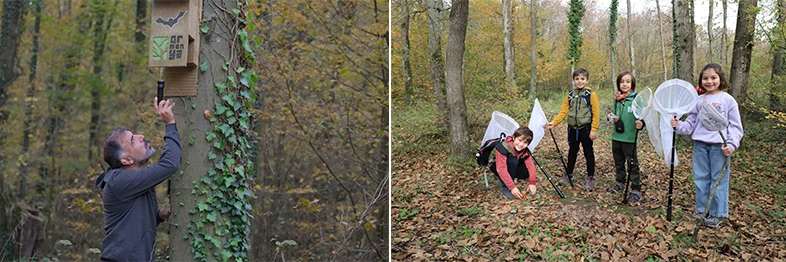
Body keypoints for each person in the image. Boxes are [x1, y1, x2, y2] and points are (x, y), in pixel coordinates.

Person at [95, 97, 181, 261]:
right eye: (133, 140)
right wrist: (170, 124)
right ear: (126, 160)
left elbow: (131, 225)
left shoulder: (135, 181)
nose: (141, 136)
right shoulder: (120, 181)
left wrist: (158, 216)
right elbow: (170, 164)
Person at [671, 63, 743, 228]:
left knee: (718, 179)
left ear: (720, 79)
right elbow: (690, 123)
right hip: (700, 145)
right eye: (705, 78)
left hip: (720, 147)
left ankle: (718, 214)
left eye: (713, 78)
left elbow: (735, 126)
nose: (709, 81)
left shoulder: (728, 100)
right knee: (701, 178)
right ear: (701, 80)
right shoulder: (698, 101)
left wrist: (731, 144)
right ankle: (704, 210)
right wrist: (678, 125)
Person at [546, 68, 600, 190]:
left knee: (588, 152)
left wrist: (594, 129)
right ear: (574, 80)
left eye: (582, 79)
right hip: (572, 129)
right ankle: (569, 174)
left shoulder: (591, 95)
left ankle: (590, 177)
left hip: (585, 128)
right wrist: (554, 122)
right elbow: (564, 110)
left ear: (587, 80)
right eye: (577, 79)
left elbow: (596, 113)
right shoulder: (570, 94)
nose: (580, 81)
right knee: (572, 151)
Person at [606, 71, 645, 202]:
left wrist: (642, 123)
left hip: (630, 138)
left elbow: (643, 116)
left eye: (628, 81)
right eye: (622, 81)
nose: (625, 84)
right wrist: (611, 117)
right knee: (618, 162)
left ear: (632, 84)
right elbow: (617, 115)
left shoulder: (636, 99)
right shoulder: (617, 99)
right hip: (617, 136)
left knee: (632, 163)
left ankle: (636, 188)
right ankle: (620, 182)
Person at [488, 126, 538, 200]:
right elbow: (501, 169)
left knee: (525, 171)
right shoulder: (503, 147)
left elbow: (530, 166)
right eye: (519, 140)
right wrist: (512, 187)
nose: (521, 144)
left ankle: (509, 177)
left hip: (510, 164)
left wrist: (532, 183)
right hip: (496, 166)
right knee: (513, 161)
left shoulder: (524, 150)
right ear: (514, 137)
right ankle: (505, 187)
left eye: (525, 143)